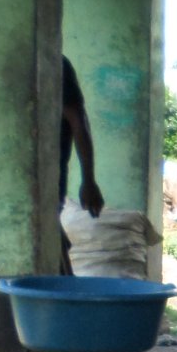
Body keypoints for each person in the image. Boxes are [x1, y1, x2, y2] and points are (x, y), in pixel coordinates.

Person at [59, 56, 105, 274]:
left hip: (48, 180)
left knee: (51, 241)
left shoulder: (55, 63)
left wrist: (89, 180)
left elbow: (78, 120)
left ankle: (67, 300)